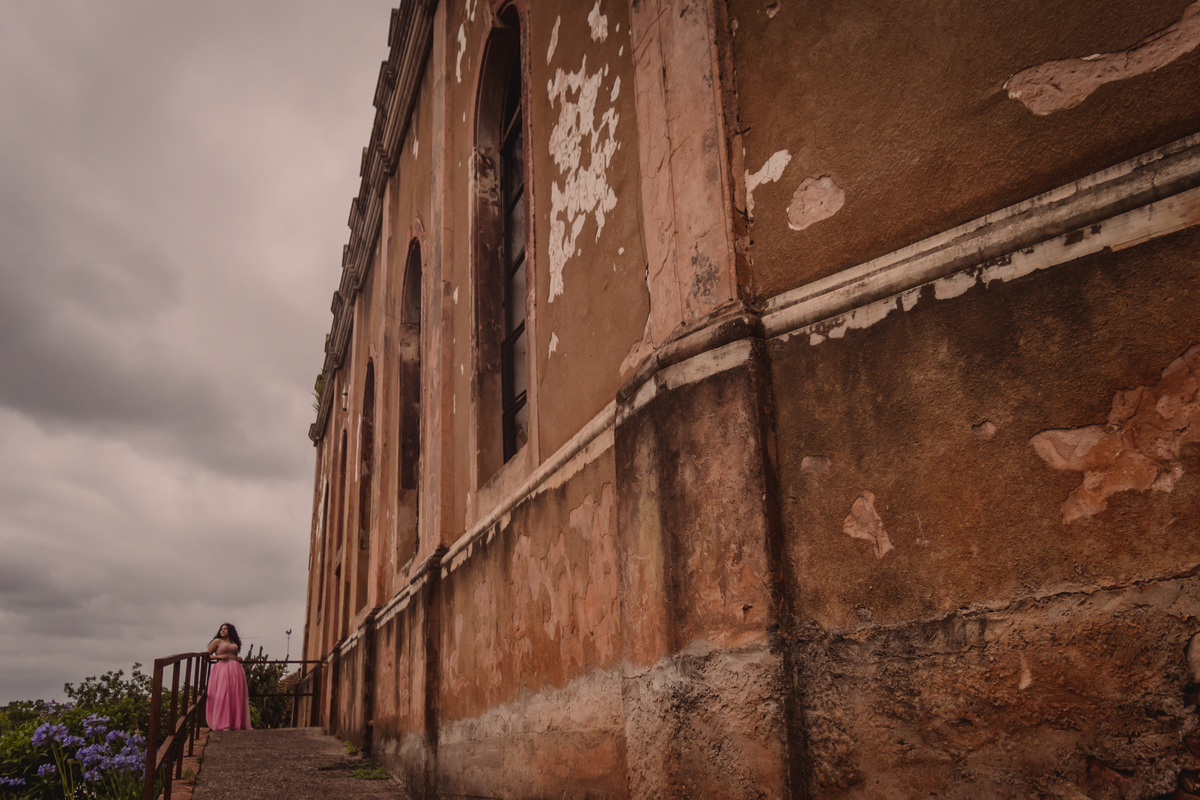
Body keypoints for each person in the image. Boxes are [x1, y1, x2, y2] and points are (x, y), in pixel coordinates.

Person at [205, 623, 252, 731]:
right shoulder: (217, 641)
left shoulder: (233, 642)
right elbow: (207, 656)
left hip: (235, 668)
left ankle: (236, 722)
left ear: (230, 631)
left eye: (225, 629)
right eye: (221, 629)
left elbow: (234, 654)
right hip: (222, 668)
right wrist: (218, 656)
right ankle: (223, 723)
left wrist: (238, 658)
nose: (223, 631)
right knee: (223, 694)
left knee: (235, 694)